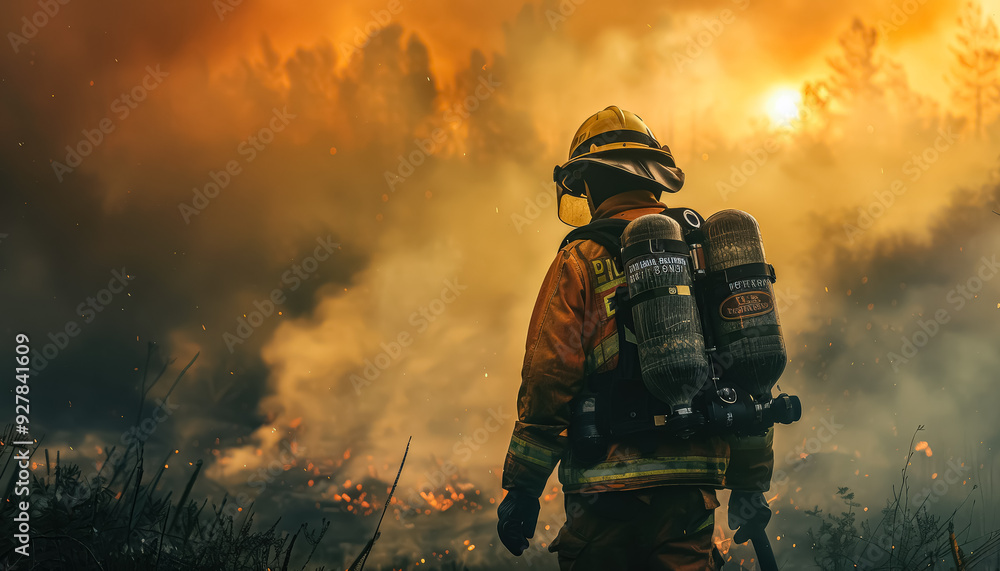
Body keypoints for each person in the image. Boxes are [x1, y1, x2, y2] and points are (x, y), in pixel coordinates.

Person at [497, 106, 774, 570]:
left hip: (606, 494)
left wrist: (523, 488)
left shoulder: (580, 259)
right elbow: (749, 368)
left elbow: (549, 376)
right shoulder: (704, 254)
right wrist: (749, 481)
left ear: (587, 184)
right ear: (654, 176)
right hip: (690, 495)